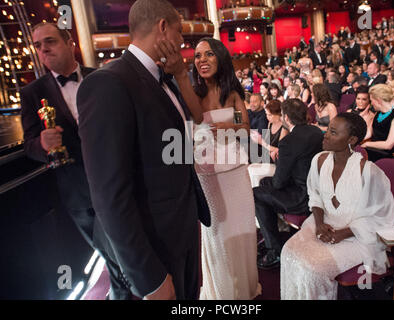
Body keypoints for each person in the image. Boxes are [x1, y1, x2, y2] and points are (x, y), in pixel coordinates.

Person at [77, 0, 210, 300]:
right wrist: (148, 277)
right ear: (163, 28)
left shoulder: (165, 77)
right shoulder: (108, 83)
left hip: (182, 232)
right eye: (179, 33)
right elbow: (109, 196)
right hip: (154, 247)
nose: (180, 42)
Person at [20, 22, 132, 300]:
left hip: (118, 180)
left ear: (70, 43)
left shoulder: (102, 77)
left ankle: (127, 290)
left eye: (50, 41)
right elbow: (29, 145)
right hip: (78, 191)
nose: (43, 49)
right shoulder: (32, 93)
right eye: (38, 46)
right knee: (109, 253)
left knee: (127, 246)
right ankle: (123, 292)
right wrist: (42, 144)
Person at [158, 36, 261, 299]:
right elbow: (197, 117)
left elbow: (244, 126)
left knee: (243, 230)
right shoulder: (191, 92)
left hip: (237, 172)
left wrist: (230, 127)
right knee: (218, 236)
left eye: (209, 54)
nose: (203, 60)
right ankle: (225, 293)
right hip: (209, 174)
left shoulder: (233, 93)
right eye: (198, 56)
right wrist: (180, 75)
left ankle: (245, 288)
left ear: (220, 57)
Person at [280, 113, 394, 300]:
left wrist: (343, 233)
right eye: (328, 129)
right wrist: (319, 224)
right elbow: (315, 196)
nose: (325, 134)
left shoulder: (369, 172)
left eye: (333, 132)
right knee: (288, 252)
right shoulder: (319, 160)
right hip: (323, 222)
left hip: (357, 236)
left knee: (314, 270)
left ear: (351, 139)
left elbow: (382, 217)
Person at [254, 99, 323, 269]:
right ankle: (278, 231)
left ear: (286, 118)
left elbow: (278, 183)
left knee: (256, 193)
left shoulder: (288, 141)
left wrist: (280, 160)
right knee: (264, 182)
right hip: (316, 188)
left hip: (301, 196)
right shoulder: (316, 131)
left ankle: (274, 250)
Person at [362, 84, 394, 162]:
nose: (371, 103)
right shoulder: (378, 113)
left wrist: (367, 144)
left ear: (378, 101)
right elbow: (368, 134)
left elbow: (388, 145)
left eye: (372, 100)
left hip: (387, 154)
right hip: (373, 149)